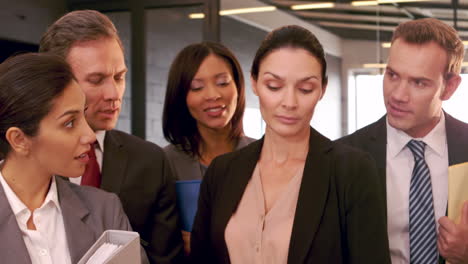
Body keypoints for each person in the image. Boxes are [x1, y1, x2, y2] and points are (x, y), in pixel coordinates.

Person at [190, 25, 390, 264]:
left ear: (322, 90)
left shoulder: (351, 171)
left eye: (305, 89)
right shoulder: (222, 172)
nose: (289, 102)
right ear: (254, 84)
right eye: (274, 86)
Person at [39, 10, 183, 263]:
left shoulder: (150, 161)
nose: (114, 93)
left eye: (119, 77)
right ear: (55, 82)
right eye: (96, 80)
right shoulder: (22, 159)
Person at [338, 18, 468, 264]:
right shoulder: (343, 156)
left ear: (449, 87)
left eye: (418, 82)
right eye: (392, 75)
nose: (397, 95)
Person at [0, 53, 140, 263]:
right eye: (69, 123)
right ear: (18, 139)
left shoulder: (105, 210)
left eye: (83, 115)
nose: (90, 135)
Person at [162, 42, 254, 255]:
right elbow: (165, 244)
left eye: (223, 83)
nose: (213, 94)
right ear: (181, 96)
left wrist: (201, 242)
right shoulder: (166, 162)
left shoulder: (263, 156)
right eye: (196, 87)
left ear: (238, 87)